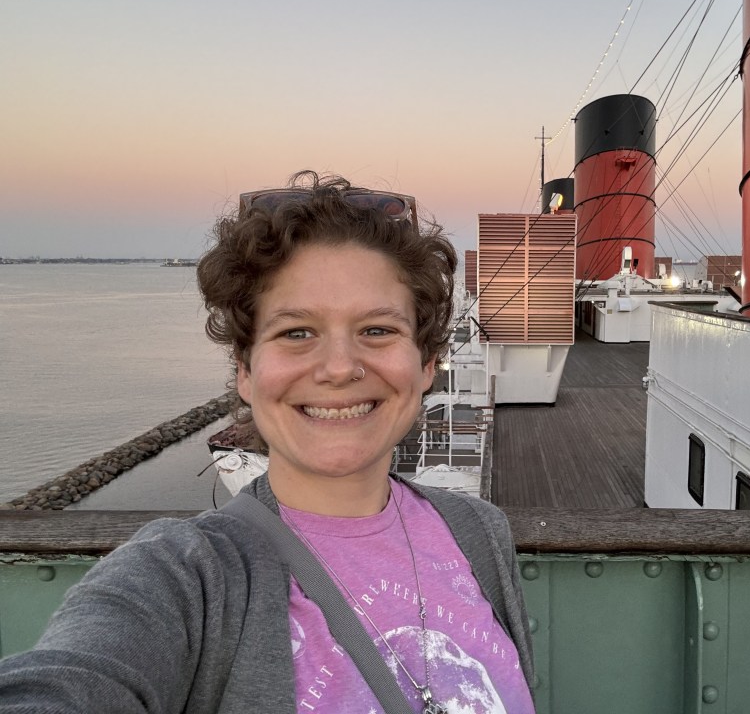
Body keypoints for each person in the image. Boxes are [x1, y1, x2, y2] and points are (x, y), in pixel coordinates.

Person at [0, 171, 535, 713]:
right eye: (296, 332)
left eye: (377, 330)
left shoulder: (478, 533)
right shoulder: (187, 576)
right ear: (246, 370)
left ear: (425, 363)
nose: (339, 367)